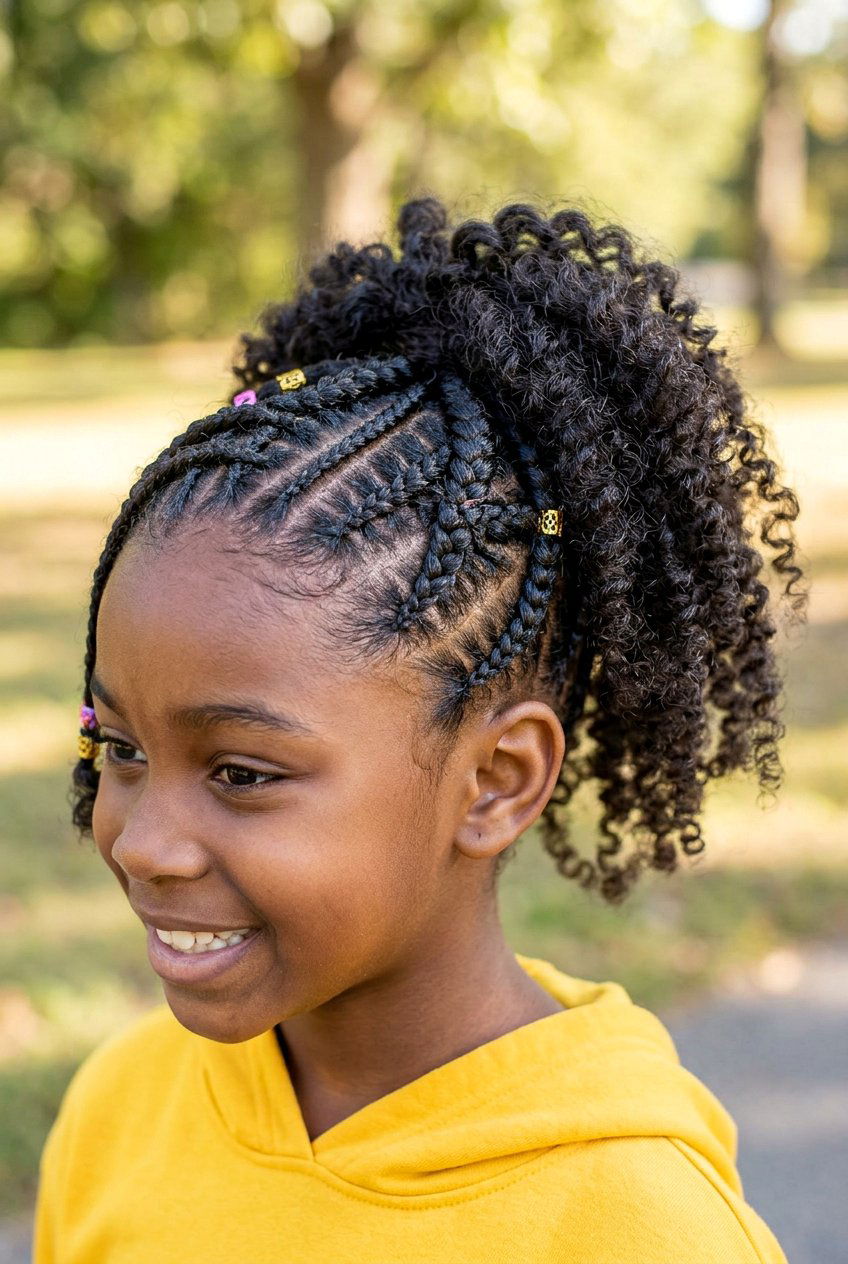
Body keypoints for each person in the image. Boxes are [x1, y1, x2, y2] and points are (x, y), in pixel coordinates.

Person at [33, 197, 803, 1262]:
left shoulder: (637, 1225)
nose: (143, 841)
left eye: (243, 771)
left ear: (494, 778)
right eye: (120, 748)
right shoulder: (122, 1108)